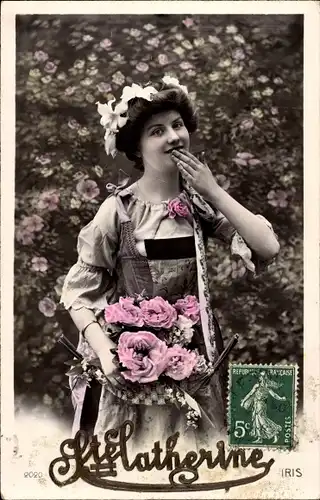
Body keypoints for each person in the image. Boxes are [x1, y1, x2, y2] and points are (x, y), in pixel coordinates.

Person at [60, 75, 280, 450]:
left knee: (196, 451)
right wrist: (106, 355)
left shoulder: (197, 203)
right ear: (138, 148)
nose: (174, 137)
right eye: (157, 131)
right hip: (133, 358)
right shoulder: (118, 210)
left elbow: (267, 247)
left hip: (193, 356)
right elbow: (78, 294)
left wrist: (213, 191)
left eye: (177, 126)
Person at [240, 372, 286, 444]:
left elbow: (275, 395)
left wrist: (281, 398)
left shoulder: (267, 388)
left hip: (261, 405)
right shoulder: (257, 386)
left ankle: (275, 434)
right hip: (256, 405)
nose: (262, 378)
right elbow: (250, 394)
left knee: (262, 421)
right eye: (261, 376)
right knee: (257, 422)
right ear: (259, 378)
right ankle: (259, 438)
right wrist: (243, 401)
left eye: (263, 376)